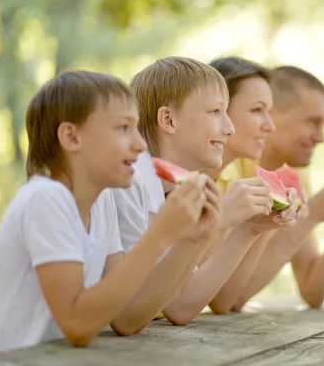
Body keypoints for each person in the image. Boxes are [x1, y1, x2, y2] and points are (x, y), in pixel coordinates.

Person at [0, 71, 214, 357]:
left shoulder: (101, 202)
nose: (140, 145)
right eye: (123, 128)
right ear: (71, 136)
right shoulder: (45, 199)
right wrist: (160, 235)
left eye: (137, 129)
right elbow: (77, 324)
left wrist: (186, 240)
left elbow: (127, 317)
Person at [111, 57, 299, 325]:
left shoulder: (175, 191)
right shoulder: (127, 186)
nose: (229, 128)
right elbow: (129, 314)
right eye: (215, 112)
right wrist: (219, 220)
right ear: (168, 120)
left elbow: (179, 306)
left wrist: (250, 229)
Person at [231, 65, 324, 310]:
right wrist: (314, 215)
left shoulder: (294, 177)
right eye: (313, 122)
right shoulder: (232, 167)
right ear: (271, 115)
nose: (321, 137)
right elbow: (231, 297)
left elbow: (313, 290)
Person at [204, 57, 308, 313]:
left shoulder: (232, 181)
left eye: (269, 113)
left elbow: (224, 300)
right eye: (257, 110)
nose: (269, 126)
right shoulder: (180, 182)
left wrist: (262, 225)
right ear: (220, 110)